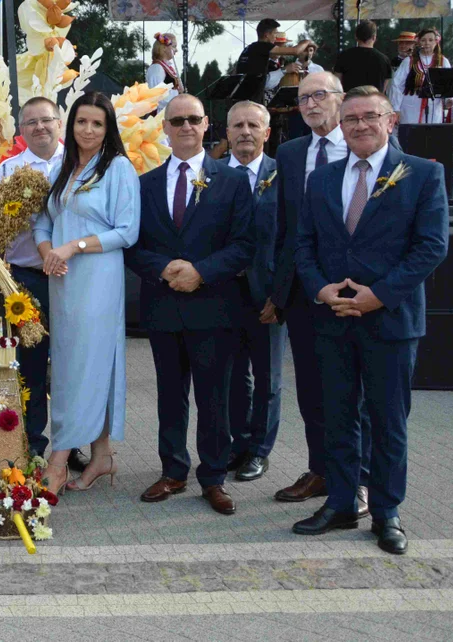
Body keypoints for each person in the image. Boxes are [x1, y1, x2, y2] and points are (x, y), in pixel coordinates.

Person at [291, 86, 448, 555]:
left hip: (390, 320)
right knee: (337, 417)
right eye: (351, 118)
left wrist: (378, 296)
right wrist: (320, 289)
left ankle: (386, 512)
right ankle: (340, 503)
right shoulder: (322, 179)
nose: (359, 125)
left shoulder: (423, 174)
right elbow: (305, 243)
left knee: (387, 421)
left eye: (369, 116)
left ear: (390, 120)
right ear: (341, 125)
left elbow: (431, 246)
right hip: (333, 318)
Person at [125, 94, 254, 516]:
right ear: (164, 127)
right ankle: (173, 471)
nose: (184, 126)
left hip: (214, 307)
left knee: (214, 398)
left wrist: (202, 270)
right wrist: (163, 268)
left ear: (205, 126)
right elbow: (134, 245)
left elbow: (244, 244)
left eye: (193, 119)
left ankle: (213, 477)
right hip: (163, 307)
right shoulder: (143, 184)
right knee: (170, 397)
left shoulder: (232, 182)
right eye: (176, 120)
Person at [270, 72, 372, 512]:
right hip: (305, 292)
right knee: (311, 388)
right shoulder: (291, 153)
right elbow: (283, 229)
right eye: (302, 98)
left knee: (356, 393)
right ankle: (321, 469)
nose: (309, 104)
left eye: (318, 95)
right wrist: (277, 291)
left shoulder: (368, 147)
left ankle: (361, 479)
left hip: (357, 294)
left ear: (340, 98)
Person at [33, 92, 140, 492]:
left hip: (98, 277)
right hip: (62, 280)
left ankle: (58, 460)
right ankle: (101, 456)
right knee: (68, 364)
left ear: (108, 127)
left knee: (85, 364)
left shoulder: (118, 169)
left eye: (97, 123)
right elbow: (42, 224)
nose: (89, 130)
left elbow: (127, 231)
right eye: (82, 122)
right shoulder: (63, 170)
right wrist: (49, 254)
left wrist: (73, 247)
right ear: (70, 125)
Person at [0, 96, 86, 471]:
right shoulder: (9, 170)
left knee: (70, 364)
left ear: (60, 123)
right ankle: (32, 443)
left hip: (74, 277)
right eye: (30, 122)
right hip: (27, 279)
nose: (39, 128)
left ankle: (72, 444)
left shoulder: (81, 164)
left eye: (46, 120)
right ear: (21, 130)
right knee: (29, 364)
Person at [221, 101, 283, 483]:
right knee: (232, 375)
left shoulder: (284, 175)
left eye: (253, 125)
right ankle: (238, 443)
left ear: (267, 132)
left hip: (269, 297)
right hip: (223, 292)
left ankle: (260, 450)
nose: (245, 131)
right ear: (226, 133)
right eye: (238, 125)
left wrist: (280, 293)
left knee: (268, 377)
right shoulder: (210, 175)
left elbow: (292, 238)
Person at [235, 20, 316, 104]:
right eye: (275, 34)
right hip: (251, 100)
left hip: (243, 97)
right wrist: (307, 42)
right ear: (267, 35)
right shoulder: (263, 46)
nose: (275, 37)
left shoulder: (250, 48)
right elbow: (295, 51)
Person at [390, 27, 452, 125]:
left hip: (434, 107)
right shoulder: (409, 61)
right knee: (412, 136)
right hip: (411, 106)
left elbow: (451, 83)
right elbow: (397, 85)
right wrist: (395, 108)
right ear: (418, 43)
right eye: (423, 40)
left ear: (436, 42)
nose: (427, 43)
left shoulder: (443, 61)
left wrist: (449, 99)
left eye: (430, 40)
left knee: (431, 136)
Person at [332, 21, 394, 93]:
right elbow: (383, 88)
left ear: (356, 36)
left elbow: (337, 82)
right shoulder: (384, 59)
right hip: (373, 101)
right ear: (374, 37)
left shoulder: (344, 56)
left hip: (350, 100)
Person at [145, 32, 183, 113]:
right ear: (164, 48)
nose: (176, 50)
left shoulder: (165, 67)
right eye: (174, 46)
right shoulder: (157, 68)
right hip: (161, 117)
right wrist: (178, 93)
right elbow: (158, 94)